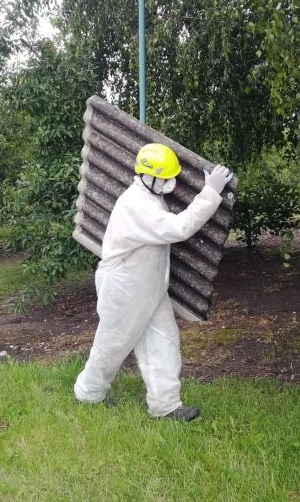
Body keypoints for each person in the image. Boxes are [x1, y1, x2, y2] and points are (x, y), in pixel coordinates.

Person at [74, 142, 233, 421]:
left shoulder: (150, 196)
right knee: (113, 344)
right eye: (166, 178)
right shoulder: (136, 204)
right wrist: (210, 192)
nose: (171, 183)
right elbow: (179, 228)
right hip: (124, 287)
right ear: (148, 176)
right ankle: (89, 393)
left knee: (164, 341)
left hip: (147, 287)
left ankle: (165, 406)